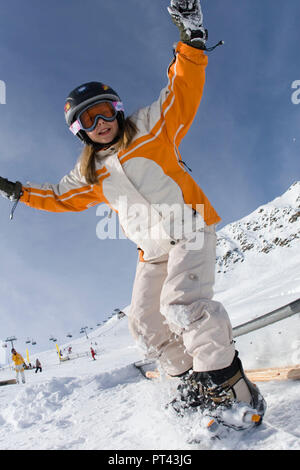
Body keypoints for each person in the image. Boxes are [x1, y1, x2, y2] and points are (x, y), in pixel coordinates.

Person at [0, 1, 265, 427]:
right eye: (89, 118)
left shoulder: (151, 127)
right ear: (79, 130)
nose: (101, 121)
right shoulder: (90, 173)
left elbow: (182, 90)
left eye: (106, 110)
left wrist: (192, 42)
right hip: (152, 251)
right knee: (144, 323)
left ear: (118, 109)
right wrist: (14, 190)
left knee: (183, 305)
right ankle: (189, 384)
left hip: (189, 229)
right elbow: (55, 196)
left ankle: (231, 388)